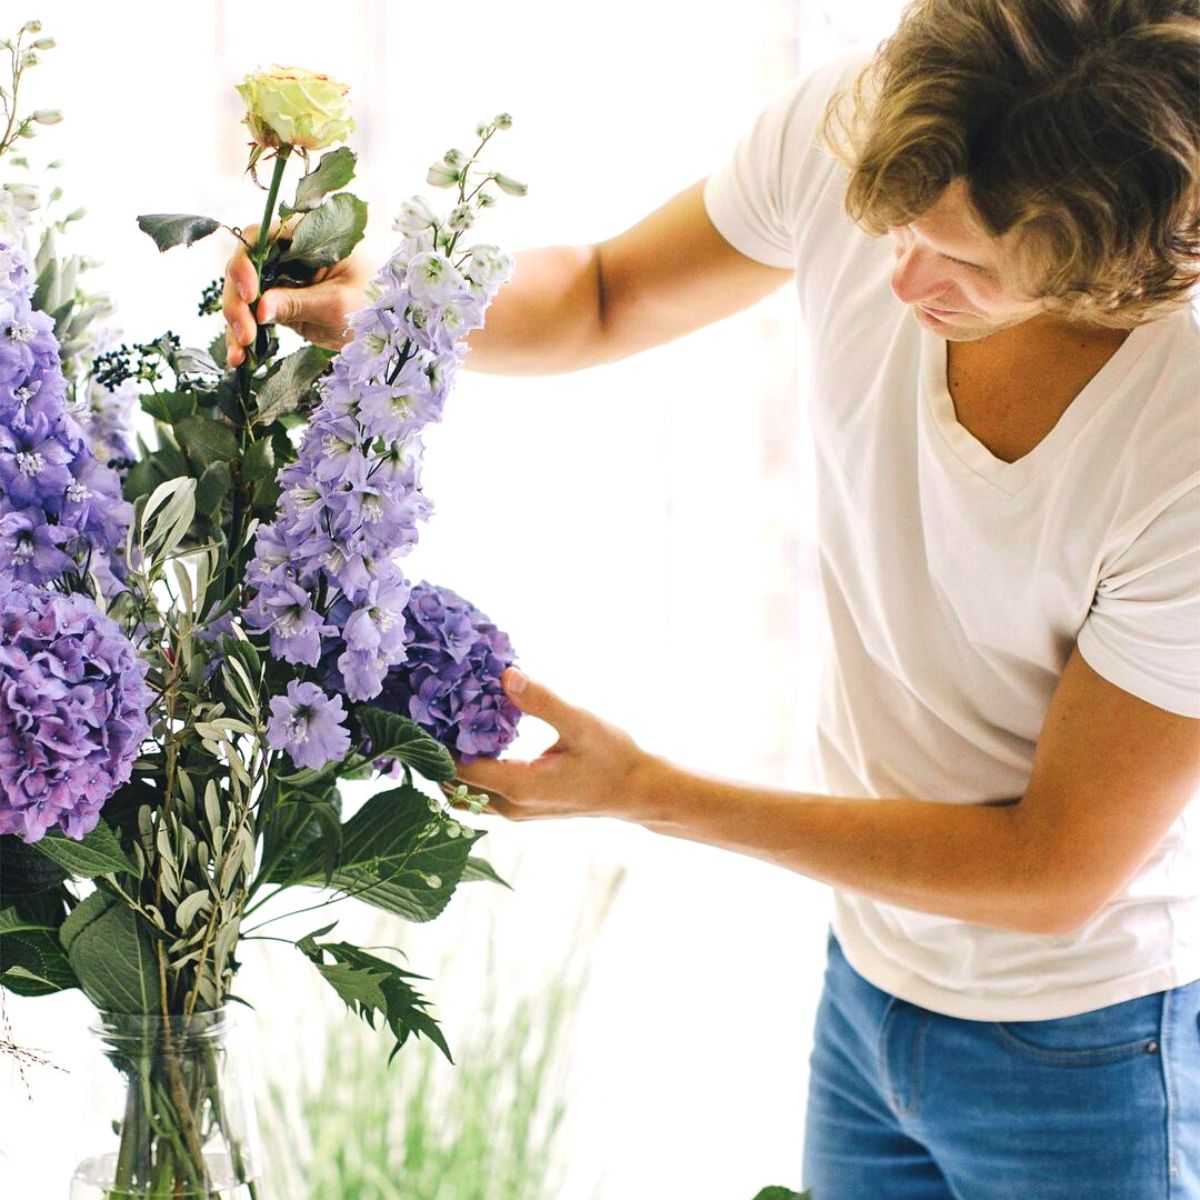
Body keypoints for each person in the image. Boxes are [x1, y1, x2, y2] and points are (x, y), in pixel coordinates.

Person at [223, 0, 1200, 1194]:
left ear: (1123, 271)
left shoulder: (1182, 434)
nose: (898, 275)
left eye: (973, 266)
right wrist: (395, 307)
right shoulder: (876, 122)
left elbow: (1054, 869)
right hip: (869, 980)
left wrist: (648, 794)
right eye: (897, 221)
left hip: (1090, 1047)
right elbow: (602, 293)